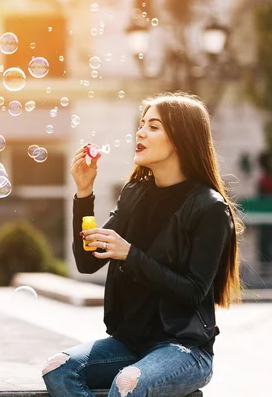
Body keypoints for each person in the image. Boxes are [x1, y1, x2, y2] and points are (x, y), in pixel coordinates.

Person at [42, 92, 243, 397]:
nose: (140, 132)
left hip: (184, 350)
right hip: (129, 345)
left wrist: (130, 255)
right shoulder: (135, 193)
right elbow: (88, 262)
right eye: (141, 125)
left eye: (153, 126)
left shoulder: (208, 207)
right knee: (57, 369)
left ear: (179, 138)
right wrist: (84, 194)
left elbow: (192, 292)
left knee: (128, 381)